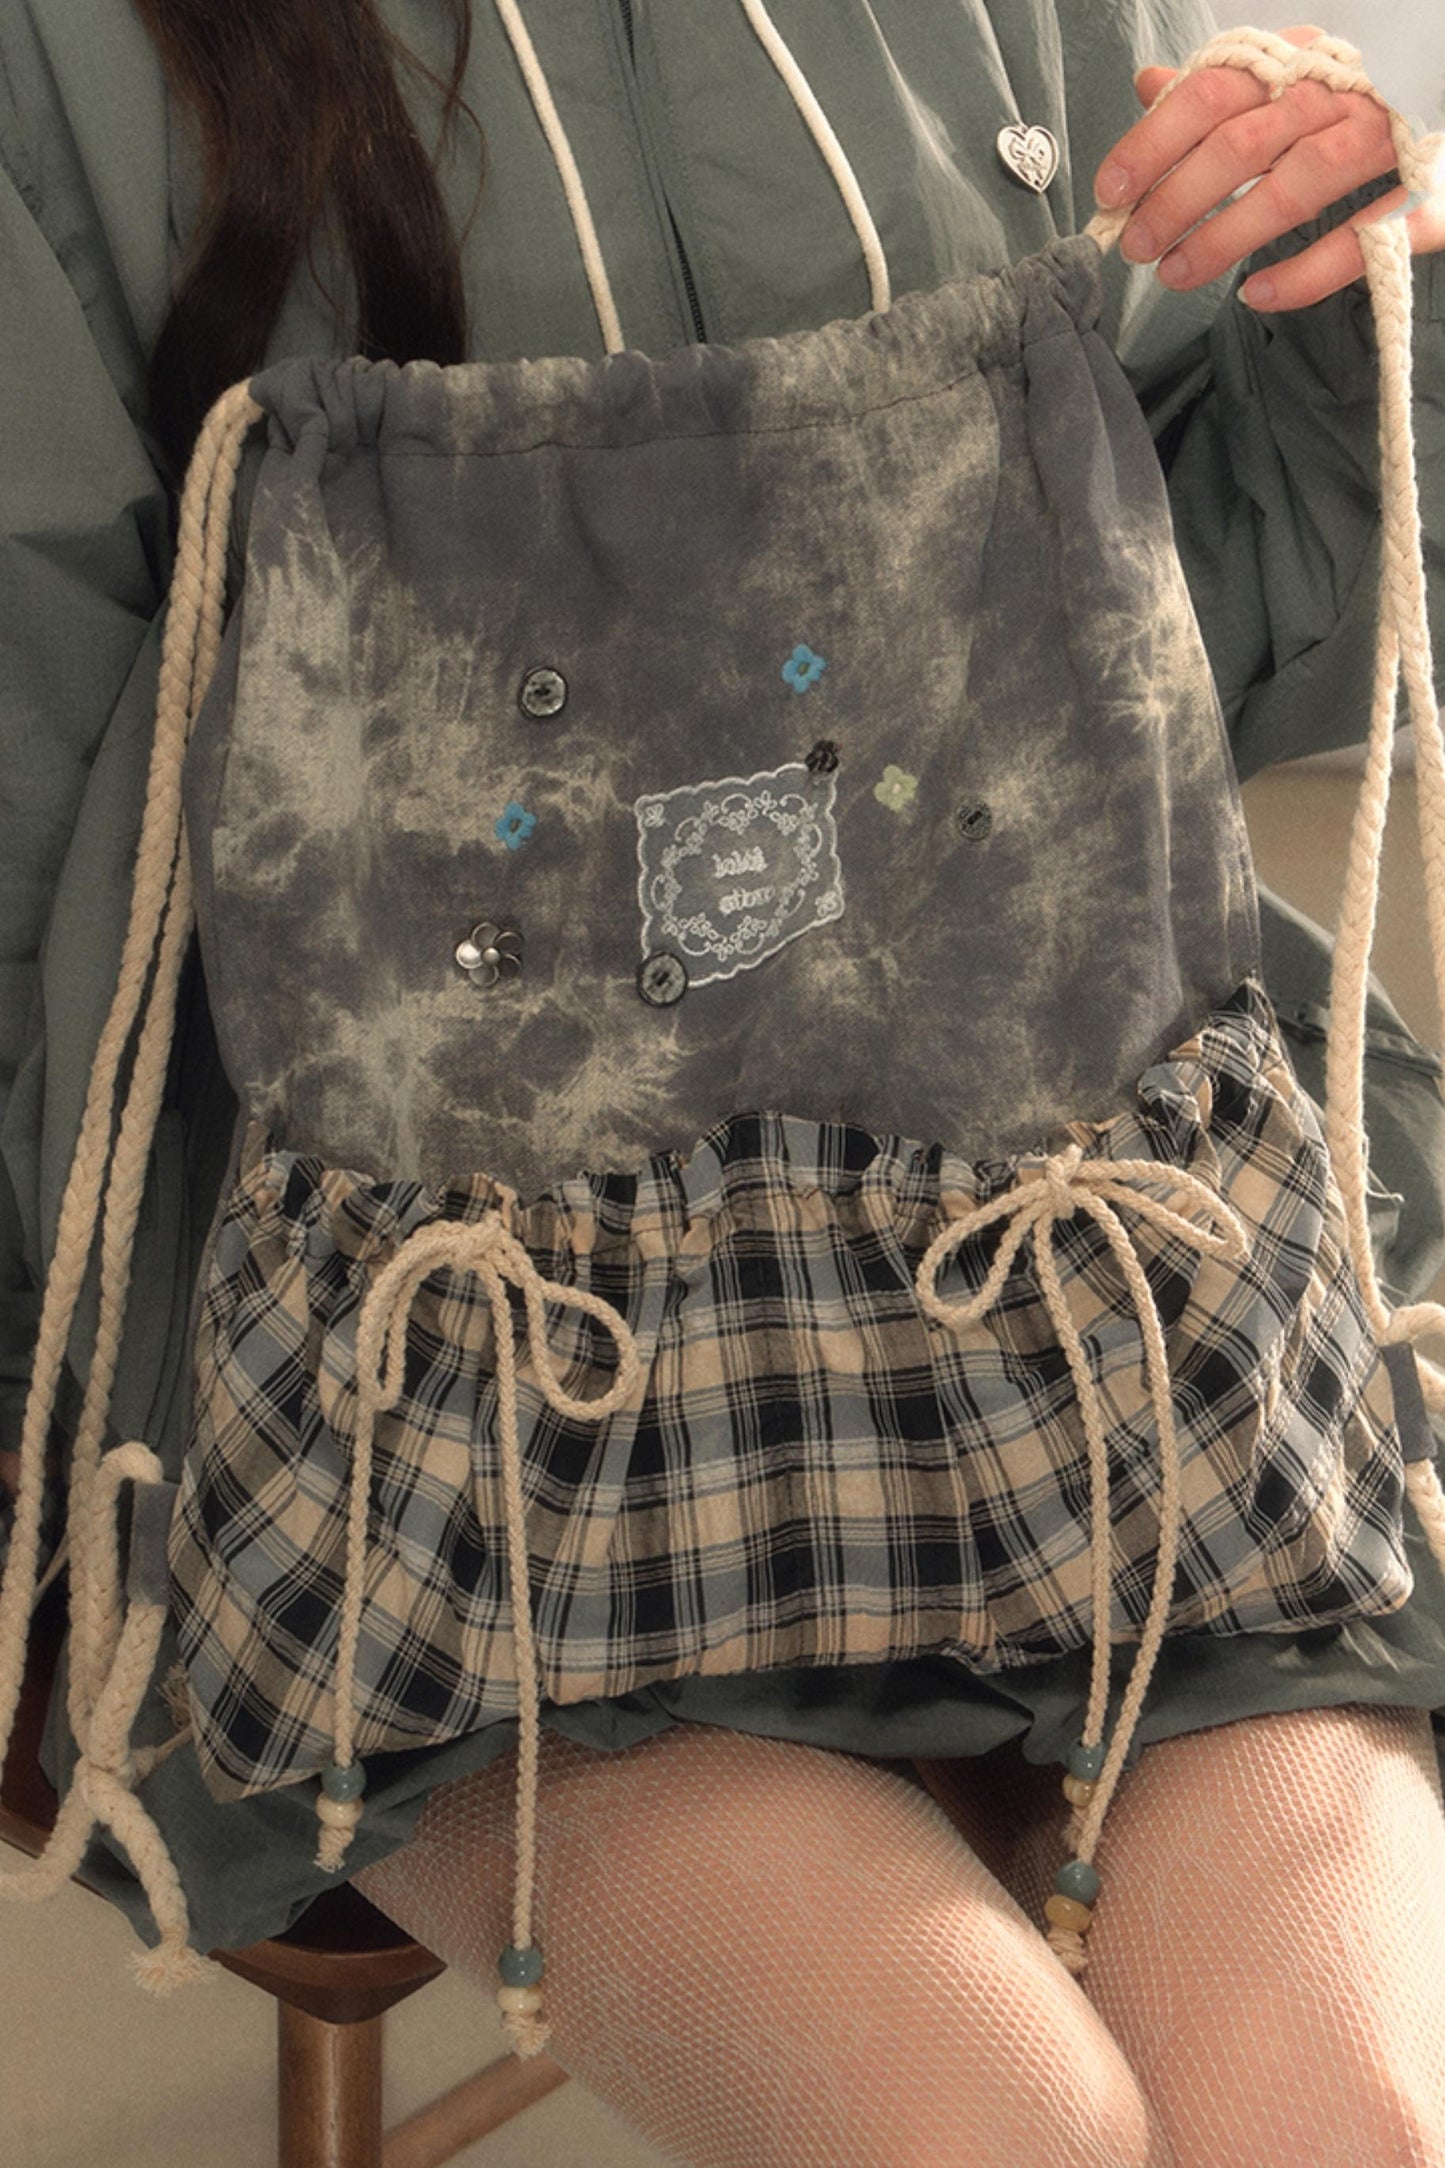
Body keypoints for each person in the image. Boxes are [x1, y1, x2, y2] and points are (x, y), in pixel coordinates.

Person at [3, 5, 1445, 2163]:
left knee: (1338, 2117)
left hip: (1075, 1243)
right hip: (446, 1377)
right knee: (994, 2134)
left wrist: (1356, 293)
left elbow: (1168, 631)